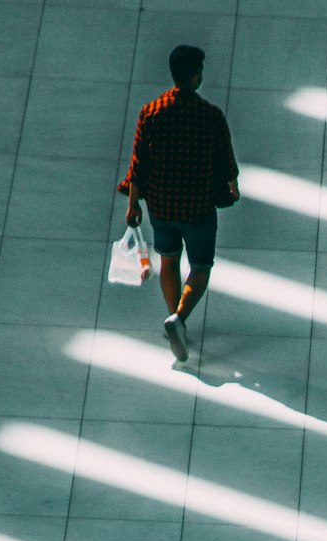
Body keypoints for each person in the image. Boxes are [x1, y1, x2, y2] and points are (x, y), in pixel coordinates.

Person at [117, 44, 239, 363]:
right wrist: (232, 187)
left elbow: (138, 165)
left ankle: (174, 318)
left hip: (161, 207)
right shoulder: (210, 116)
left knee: (168, 261)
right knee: (200, 266)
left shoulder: (151, 112)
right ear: (196, 76)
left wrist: (133, 206)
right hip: (198, 209)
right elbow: (227, 164)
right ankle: (179, 319)